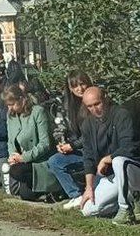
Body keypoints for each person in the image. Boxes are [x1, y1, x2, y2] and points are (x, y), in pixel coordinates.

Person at [78, 86, 140, 224]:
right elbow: (88, 157)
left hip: (136, 170)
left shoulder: (121, 115)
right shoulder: (87, 125)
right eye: (90, 106)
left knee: (119, 161)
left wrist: (108, 159)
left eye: (97, 103)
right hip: (113, 176)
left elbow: (130, 146)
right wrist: (89, 187)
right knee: (87, 210)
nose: (95, 109)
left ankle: (126, 210)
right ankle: (127, 199)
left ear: (105, 98)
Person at [3, 84, 59, 201]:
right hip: (20, 160)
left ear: (22, 99)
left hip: (38, 159)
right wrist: (12, 156)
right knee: (25, 194)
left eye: (12, 104)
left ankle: (52, 187)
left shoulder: (38, 112)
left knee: (18, 174)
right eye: (8, 105)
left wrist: (24, 157)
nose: (10, 108)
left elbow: (45, 143)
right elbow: (10, 141)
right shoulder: (11, 117)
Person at [48, 70, 92, 206]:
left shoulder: (93, 104)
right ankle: (76, 195)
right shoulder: (68, 107)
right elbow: (64, 130)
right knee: (54, 161)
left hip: (94, 150)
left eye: (82, 84)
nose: (80, 89)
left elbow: (91, 136)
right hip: (78, 149)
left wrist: (73, 146)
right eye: (75, 86)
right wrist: (62, 143)